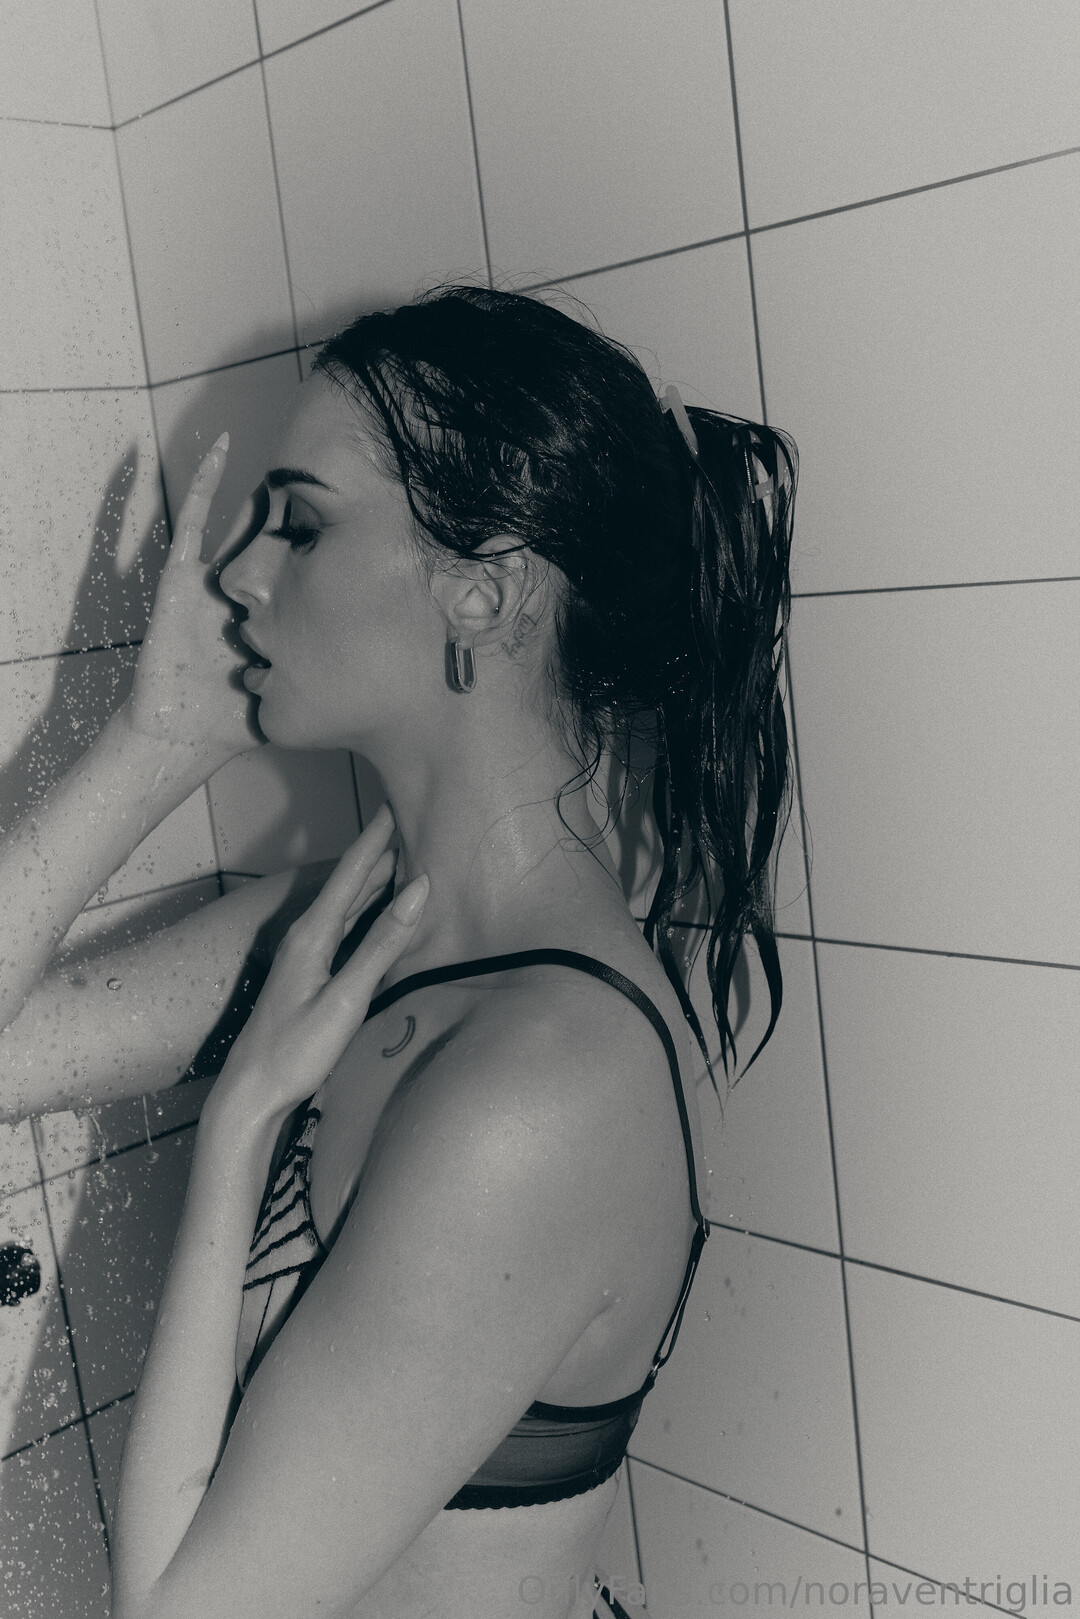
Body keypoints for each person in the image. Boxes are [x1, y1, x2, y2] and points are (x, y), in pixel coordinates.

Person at [0, 286, 796, 1619]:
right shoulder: (357, 934)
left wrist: (240, 1126)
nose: (236, 574)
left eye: (302, 525)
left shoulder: (546, 1086)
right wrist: (150, 750)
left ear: (482, 596)